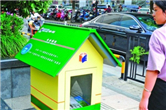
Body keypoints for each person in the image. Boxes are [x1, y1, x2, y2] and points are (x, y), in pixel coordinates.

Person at [139, 1, 166, 110]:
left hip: (162, 91)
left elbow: (154, 69)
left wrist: (145, 98)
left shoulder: (159, 34)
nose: (153, 14)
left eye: (155, 10)